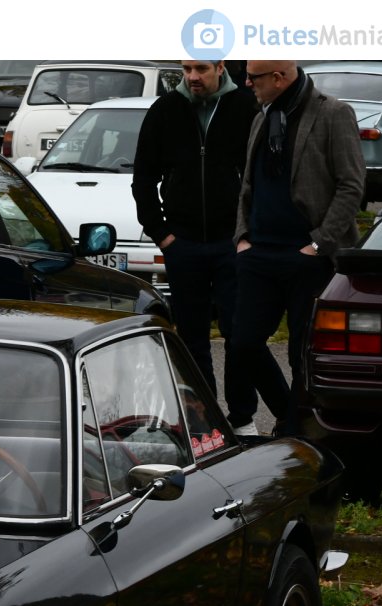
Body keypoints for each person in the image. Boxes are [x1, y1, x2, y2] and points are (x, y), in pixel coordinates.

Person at [231, 61, 365, 436]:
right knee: (242, 343)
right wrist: (242, 237)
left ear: (278, 77)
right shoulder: (264, 115)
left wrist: (318, 243)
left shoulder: (333, 113)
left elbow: (351, 185)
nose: (246, 83)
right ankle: (288, 415)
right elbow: (248, 184)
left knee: (300, 353)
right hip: (258, 253)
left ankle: (298, 432)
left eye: (253, 77)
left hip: (308, 257)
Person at [132, 58, 258, 426]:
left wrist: (247, 234)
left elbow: (260, 175)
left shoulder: (245, 107)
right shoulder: (166, 109)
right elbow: (143, 177)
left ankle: (243, 416)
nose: (192, 77)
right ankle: (204, 417)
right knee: (191, 336)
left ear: (220, 67)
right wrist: (163, 234)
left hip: (231, 242)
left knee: (239, 333)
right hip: (183, 243)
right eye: (186, 69)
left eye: (200, 69)